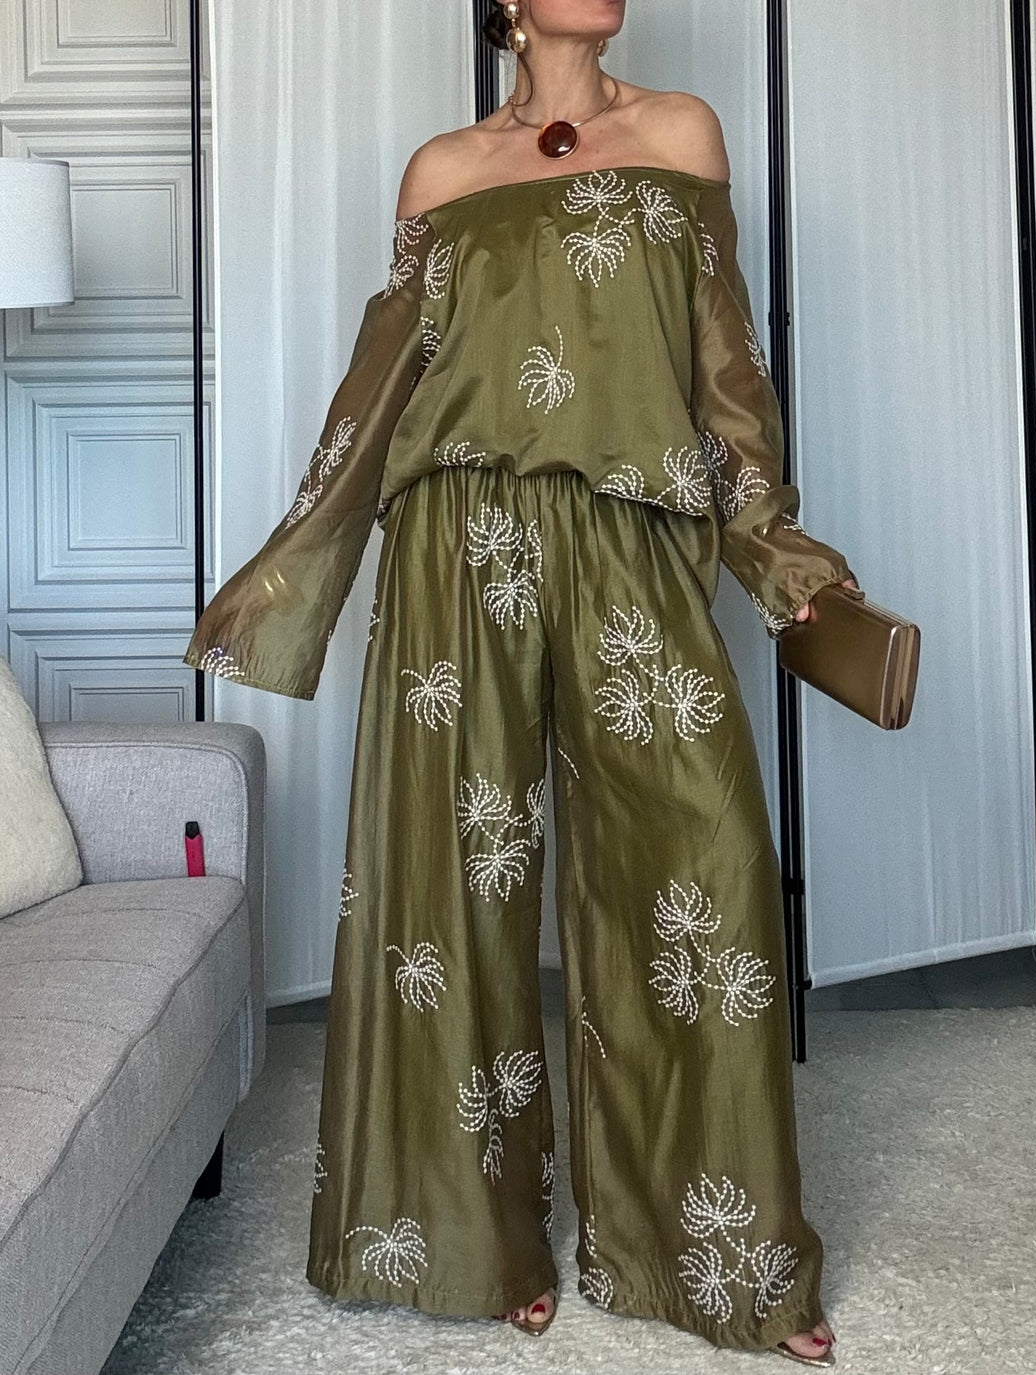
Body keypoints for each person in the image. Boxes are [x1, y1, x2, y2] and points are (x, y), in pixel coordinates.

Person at [183, 0, 856, 1364]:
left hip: (634, 537)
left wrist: (780, 555)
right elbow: (380, 389)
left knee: (702, 867)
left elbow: (727, 376)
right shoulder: (443, 170)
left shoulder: (681, 134)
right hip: (458, 542)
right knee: (451, 895)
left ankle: (712, 1256)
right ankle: (472, 1238)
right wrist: (291, 570)